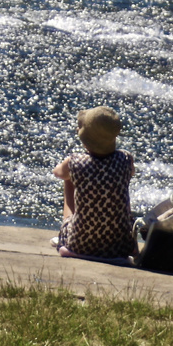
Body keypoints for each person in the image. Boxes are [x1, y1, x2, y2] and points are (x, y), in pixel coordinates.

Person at [52, 105, 137, 260]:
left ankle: (68, 225)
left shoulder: (75, 161)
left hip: (79, 243)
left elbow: (57, 173)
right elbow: (131, 173)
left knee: (69, 178)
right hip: (119, 246)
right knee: (120, 183)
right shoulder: (125, 159)